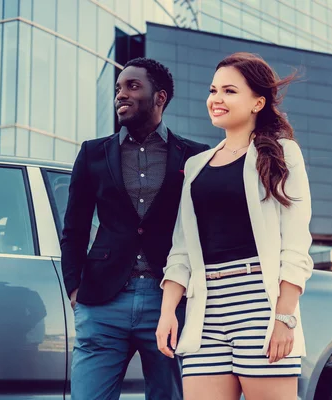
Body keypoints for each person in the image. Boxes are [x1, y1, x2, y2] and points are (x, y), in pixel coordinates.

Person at [156, 52, 313, 400]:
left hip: (259, 303)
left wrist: (284, 318)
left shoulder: (281, 153)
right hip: (205, 309)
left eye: (229, 91)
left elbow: (296, 243)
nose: (216, 99)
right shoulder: (196, 166)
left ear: (258, 102)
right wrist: (168, 311)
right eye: (213, 91)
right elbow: (181, 248)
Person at [60, 57, 209, 400]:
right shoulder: (93, 153)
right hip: (102, 302)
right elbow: (75, 228)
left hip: (168, 302)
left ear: (160, 97)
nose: (121, 95)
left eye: (132, 86)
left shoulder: (195, 157)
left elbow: (203, 230)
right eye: (117, 88)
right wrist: (75, 292)